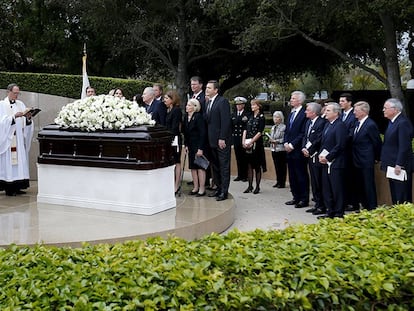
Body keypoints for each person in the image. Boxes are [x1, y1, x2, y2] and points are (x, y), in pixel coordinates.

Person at [0, 84, 34, 196]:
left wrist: (28, 118)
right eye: (15, 93)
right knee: (10, 164)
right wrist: (14, 117)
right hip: (9, 140)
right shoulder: (2, 105)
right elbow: (2, 123)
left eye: (18, 93)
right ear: (8, 92)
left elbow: (26, 124)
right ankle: (9, 188)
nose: (17, 95)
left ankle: (18, 186)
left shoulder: (21, 104)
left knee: (20, 163)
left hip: (19, 139)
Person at [380, 98, 413, 204]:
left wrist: (399, 164)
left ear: (395, 109)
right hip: (391, 164)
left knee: (402, 194)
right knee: (395, 194)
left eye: (385, 108)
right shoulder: (392, 122)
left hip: (399, 166)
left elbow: (404, 146)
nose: (383, 110)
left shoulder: (402, 123)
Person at [318, 102, 347, 218]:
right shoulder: (327, 125)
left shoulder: (340, 126)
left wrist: (328, 157)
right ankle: (330, 211)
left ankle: (339, 212)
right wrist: (321, 155)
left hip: (336, 163)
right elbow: (324, 142)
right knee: (327, 188)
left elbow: (340, 145)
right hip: (326, 161)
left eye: (328, 110)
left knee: (337, 189)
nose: (325, 112)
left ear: (336, 113)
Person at [352, 101, 382, 211]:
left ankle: (371, 208)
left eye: (356, 110)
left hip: (366, 160)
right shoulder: (357, 123)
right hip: (356, 160)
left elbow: (376, 142)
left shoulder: (370, 124)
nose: (354, 112)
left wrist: (376, 158)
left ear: (364, 111)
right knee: (360, 185)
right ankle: (364, 207)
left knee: (368, 185)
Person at [205, 80, 232, 201]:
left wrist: (222, 138)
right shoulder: (208, 103)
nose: (207, 90)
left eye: (209, 88)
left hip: (221, 141)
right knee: (215, 166)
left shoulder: (222, 102)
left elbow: (225, 122)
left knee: (223, 167)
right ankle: (218, 188)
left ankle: (224, 192)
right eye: (206, 87)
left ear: (216, 90)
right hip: (211, 141)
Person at [284, 90, 310, 208]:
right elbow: (287, 130)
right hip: (288, 149)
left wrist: (292, 145)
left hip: (298, 149)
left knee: (301, 174)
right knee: (292, 175)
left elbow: (302, 133)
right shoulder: (291, 113)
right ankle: (296, 197)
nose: (291, 100)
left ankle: (304, 199)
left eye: (293, 98)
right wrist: (285, 143)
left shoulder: (304, 113)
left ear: (299, 100)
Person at [301, 102, 326, 215]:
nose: (305, 112)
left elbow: (318, 139)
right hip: (309, 156)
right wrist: (303, 148)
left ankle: (321, 205)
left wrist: (309, 150)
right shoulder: (308, 122)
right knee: (314, 182)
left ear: (314, 112)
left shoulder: (321, 123)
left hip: (316, 155)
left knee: (318, 181)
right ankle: (317, 204)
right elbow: (305, 137)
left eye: (307, 110)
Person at [183, 98, 207, 196]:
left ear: (194, 107)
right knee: (192, 167)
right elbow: (185, 133)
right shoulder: (186, 117)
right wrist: (186, 145)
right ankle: (195, 187)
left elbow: (203, 133)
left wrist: (200, 148)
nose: (187, 107)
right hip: (191, 146)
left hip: (198, 146)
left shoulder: (198, 117)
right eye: (187, 105)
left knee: (200, 167)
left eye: (189, 105)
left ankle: (202, 188)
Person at [339, 92, 359, 211]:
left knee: (351, 178)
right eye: (340, 101)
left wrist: (340, 141)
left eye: (343, 101)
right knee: (344, 179)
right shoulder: (341, 115)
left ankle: (353, 202)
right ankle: (345, 201)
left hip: (350, 152)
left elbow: (351, 134)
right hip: (341, 153)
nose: (340, 103)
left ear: (349, 102)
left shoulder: (354, 115)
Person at [242, 99, 266, 194]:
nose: (252, 107)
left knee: (257, 166)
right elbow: (245, 129)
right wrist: (243, 141)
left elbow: (260, 132)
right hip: (247, 142)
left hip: (256, 144)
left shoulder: (261, 117)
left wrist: (252, 141)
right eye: (251, 105)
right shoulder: (249, 116)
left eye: (254, 105)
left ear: (258, 106)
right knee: (248, 165)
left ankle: (257, 186)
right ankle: (250, 185)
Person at [164, 90, 183, 195]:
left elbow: (175, 127)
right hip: (169, 139)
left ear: (172, 99)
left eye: (166, 98)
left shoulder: (176, 110)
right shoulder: (169, 110)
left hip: (175, 139)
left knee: (177, 161)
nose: (164, 100)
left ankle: (176, 184)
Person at [231, 96, 250, 182]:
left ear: (243, 105)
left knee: (244, 157)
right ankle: (240, 175)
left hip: (243, 138)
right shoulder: (233, 114)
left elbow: (246, 127)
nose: (238, 106)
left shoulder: (247, 114)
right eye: (237, 105)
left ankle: (245, 175)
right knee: (238, 158)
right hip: (236, 138)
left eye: (240, 104)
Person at [268, 111, 287, 188]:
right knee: (276, 166)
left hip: (281, 149)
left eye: (277, 117)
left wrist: (277, 141)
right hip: (274, 149)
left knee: (282, 166)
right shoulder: (273, 127)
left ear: (281, 118)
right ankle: (278, 181)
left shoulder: (284, 127)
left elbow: (284, 138)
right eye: (274, 117)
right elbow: (272, 136)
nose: (275, 119)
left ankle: (282, 182)